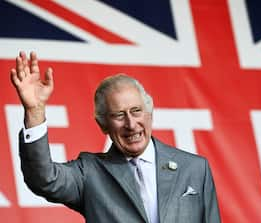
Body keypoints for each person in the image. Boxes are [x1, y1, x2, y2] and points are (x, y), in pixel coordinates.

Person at [10, 51, 221, 223]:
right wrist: (35, 111)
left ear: (149, 113)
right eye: (119, 115)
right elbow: (44, 179)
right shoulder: (90, 173)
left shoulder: (194, 168)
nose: (131, 124)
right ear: (103, 124)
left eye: (136, 111)